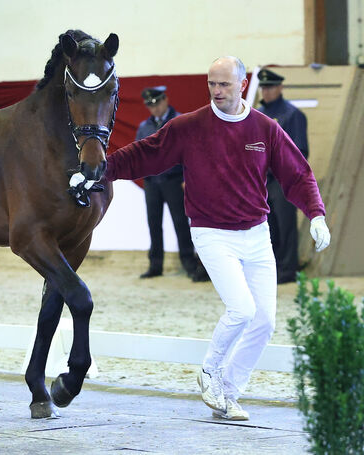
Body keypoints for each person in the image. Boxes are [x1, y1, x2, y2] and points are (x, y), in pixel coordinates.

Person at [104, 56, 330, 421]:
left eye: (224, 84)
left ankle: (228, 392)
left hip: (257, 234)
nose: (217, 90)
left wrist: (316, 214)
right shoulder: (189, 126)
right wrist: (103, 168)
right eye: (212, 83)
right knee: (242, 309)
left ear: (243, 85)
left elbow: (297, 173)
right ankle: (210, 370)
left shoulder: (265, 128)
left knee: (265, 322)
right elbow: (148, 153)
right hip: (210, 232)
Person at [136, 86, 207, 281]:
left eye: (157, 103)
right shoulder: (144, 127)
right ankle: (155, 264)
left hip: (174, 180)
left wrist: (187, 178)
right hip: (152, 182)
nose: (155, 108)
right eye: (150, 105)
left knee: (181, 224)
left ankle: (189, 263)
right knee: (154, 224)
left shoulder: (181, 122)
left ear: (165, 100)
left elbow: (192, 153)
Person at [257, 68, 309, 283]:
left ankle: (288, 268)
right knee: (267, 226)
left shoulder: (292, 115)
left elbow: (300, 151)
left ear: (280, 88)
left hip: (282, 179)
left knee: (285, 224)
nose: (266, 91)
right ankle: (273, 267)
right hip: (261, 180)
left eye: (270, 87)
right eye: (263, 87)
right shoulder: (257, 115)